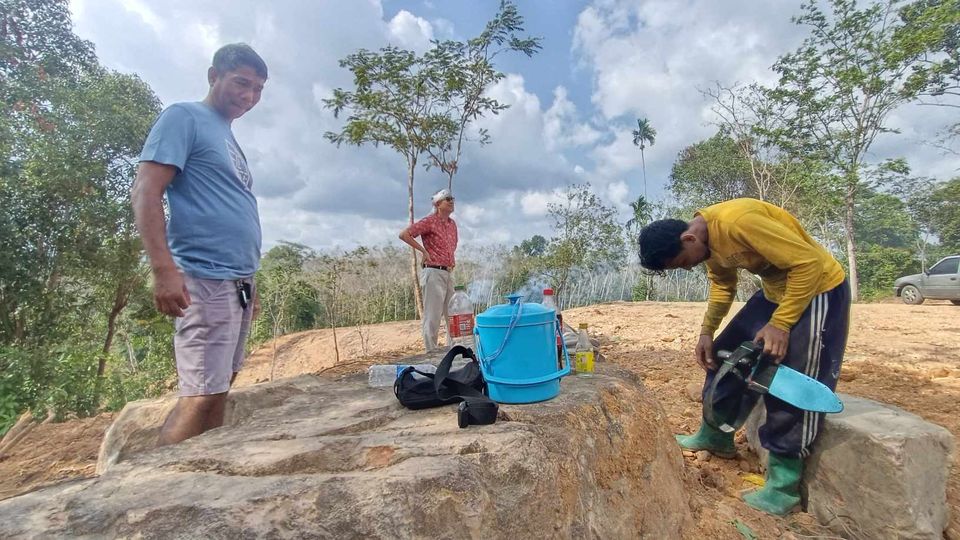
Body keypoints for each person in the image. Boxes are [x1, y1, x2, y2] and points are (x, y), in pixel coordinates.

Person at [637, 198, 850, 516]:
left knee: (791, 383)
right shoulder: (705, 243)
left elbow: (809, 264)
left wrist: (781, 324)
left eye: (683, 262)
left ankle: (783, 487)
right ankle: (716, 435)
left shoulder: (738, 224)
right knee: (723, 355)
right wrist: (706, 332)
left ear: (689, 238)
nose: (689, 267)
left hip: (819, 289)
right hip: (776, 291)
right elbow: (723, 284)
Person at [131, 43, 268, 445]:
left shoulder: (224, 134)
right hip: (203, 277)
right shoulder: (184, 117)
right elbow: (146, 191)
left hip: (236, 282)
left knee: (220, 386)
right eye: (241, 83)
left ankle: (203, 471)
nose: (249, 96)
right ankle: (155, 479)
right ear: (213, 76)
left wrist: (250, 283)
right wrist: (163, 270)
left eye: (258, 89)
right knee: (199, 396)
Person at [399, 188, 458, 352]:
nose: (452, 201)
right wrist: (423, 251)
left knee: (452, 315)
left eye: (452, 198)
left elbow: (450, 247)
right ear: (438, 204)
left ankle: (452, 351)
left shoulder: (452, 225)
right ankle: (431, 353)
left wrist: (451, 260)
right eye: (448, 199)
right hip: (433, 272)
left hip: (448, 272)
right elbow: (404, 234)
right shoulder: (430, 221)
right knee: (433, 316)